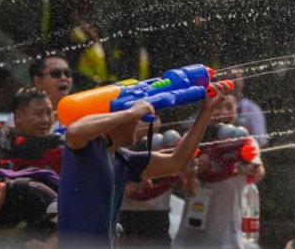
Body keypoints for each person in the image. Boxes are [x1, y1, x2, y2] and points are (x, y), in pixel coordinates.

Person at [57, 79, 232, 248]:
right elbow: (74, 130)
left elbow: (176, 163)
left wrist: (206, 112)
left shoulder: (123, 159)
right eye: (136, 115)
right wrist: (130, 112)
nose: (142, 119)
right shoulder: (89, 150)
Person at [173, 94, 265, 249]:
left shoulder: (243, 141)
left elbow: (259, 170)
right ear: (206, 108)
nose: (223, 112)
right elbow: (185, 185)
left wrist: (252, 169)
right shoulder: (191, 139)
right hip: (191, 238)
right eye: (217, 107)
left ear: (236, 109)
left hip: (227, 238)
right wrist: (193, 170)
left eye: (229, 106)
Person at [119, 115, 193, 248]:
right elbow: (108, 193)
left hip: (158, 221)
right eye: (143, 117)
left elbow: (192, 192)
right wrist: (134, 188)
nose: (150, 122)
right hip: (128, 220)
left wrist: (191, 174)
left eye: (155, 117)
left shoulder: (169, 150)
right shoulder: (119, 151)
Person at [0, 87, 63, 173]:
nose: (46, 120)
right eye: (39, 113)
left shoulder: (57, 144)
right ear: (19, 115)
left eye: (49, 113)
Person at [30, 53, 74, 129]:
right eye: (55, 73)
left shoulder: (80, 115)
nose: (64, 78)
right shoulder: (24, 117)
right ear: (38, 82)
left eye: (67, 73)